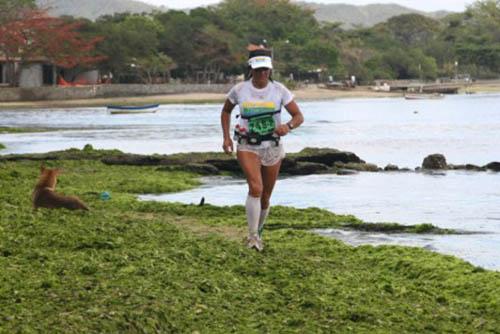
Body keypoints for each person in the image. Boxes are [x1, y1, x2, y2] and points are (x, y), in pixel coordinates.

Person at [220, 46, 304, 251]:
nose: (262, 73)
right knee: (255, 188)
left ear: (270, 70)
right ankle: (252, 236)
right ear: (251, 69)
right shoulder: (240, 90)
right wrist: (226, 138)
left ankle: (258, 233)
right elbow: (226, 111)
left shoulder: (280, 91)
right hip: (247, 145)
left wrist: (288, 126)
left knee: (265, 196)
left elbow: (298, 116)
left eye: (266, 69)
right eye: (258, 69)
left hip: (272, 146)